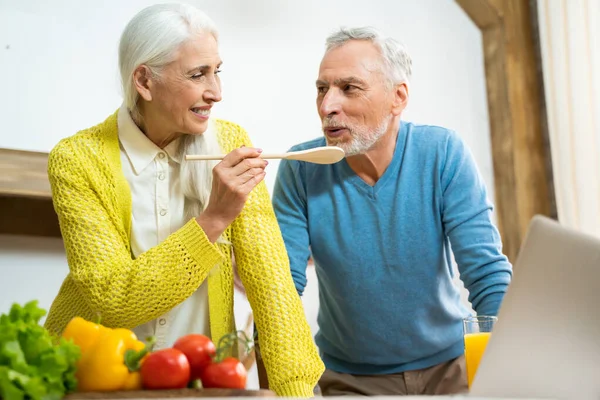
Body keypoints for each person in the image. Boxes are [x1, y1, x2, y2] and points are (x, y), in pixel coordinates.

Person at [44, 3, 324, 396]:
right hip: (93, 384)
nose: (217, 93)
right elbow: (115, 301)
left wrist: (296, 391)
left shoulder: (230, 143)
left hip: (201, 384)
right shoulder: (76, 160)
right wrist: (213, 220)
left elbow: (273, 291)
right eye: (198, 75)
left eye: (217, 71)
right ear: (144, 81)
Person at [272, 26, 513, 396]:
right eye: (322, 89)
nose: (327, 106)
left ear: (398, 97)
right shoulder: (300, 168)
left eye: (348, 88)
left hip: (452, 370)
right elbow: (282, 290)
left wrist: (510, 371)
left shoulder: (442, 152)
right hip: (348, 381)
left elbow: (485, 272)